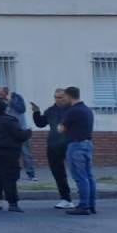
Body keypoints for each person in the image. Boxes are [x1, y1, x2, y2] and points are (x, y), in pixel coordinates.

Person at [31, 89, 74, 209]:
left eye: (61, 97)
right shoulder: (51, 110)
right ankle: (66, 198)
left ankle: (85, 198)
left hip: (70, 143)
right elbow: (40, 123)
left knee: (76, 170)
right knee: (58, 172)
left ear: (66, 97)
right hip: (53, 145)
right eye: (56, 97)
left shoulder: (72, 109)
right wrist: (36, 112)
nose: (58, 100)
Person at [59, 86, 97, 216]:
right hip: (88, 144)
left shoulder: (73, 111)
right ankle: (91, 204)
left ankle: (83, 205)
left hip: (76, 145)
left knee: (80, 177)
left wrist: (60, 127)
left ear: (69, 96)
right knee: (89, 176)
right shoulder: (87, 110)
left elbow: (62, 128)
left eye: (64, 97)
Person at [0, 86, 37, 182]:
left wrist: (10, 101)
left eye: (0, 93)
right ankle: (14, 175)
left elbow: (21, 109)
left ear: (5, 92)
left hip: (21, 130)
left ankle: (31, 174)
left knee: (26, 153)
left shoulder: (17, 97)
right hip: (8, 132)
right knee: (11, 154)